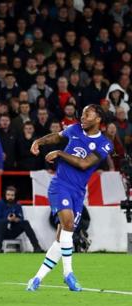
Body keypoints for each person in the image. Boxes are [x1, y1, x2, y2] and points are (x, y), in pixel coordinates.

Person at [27, 104, 113, 292]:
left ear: (98, 119)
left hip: (78, 192)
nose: (82, 117)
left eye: (87, 115)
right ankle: (68, 274)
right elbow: (57, 137)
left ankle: (36, 279)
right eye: (81, 114)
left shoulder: (105, 144)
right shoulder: (74, 129)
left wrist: (59, 153)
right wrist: (39, 142)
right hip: (60, 186)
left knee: (61, 239)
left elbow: (84, 164)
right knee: (68, 225)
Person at [0, 186, 43, 253]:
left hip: (12, 230)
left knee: (25, 223)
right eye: (8, 195)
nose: (10, 197)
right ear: (5, 195)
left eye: (12, 195)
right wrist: (7, 219)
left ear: (15, 196)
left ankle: (37, 247)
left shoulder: (17, 205)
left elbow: (21, 218)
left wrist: (16, 219)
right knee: (2, 224)